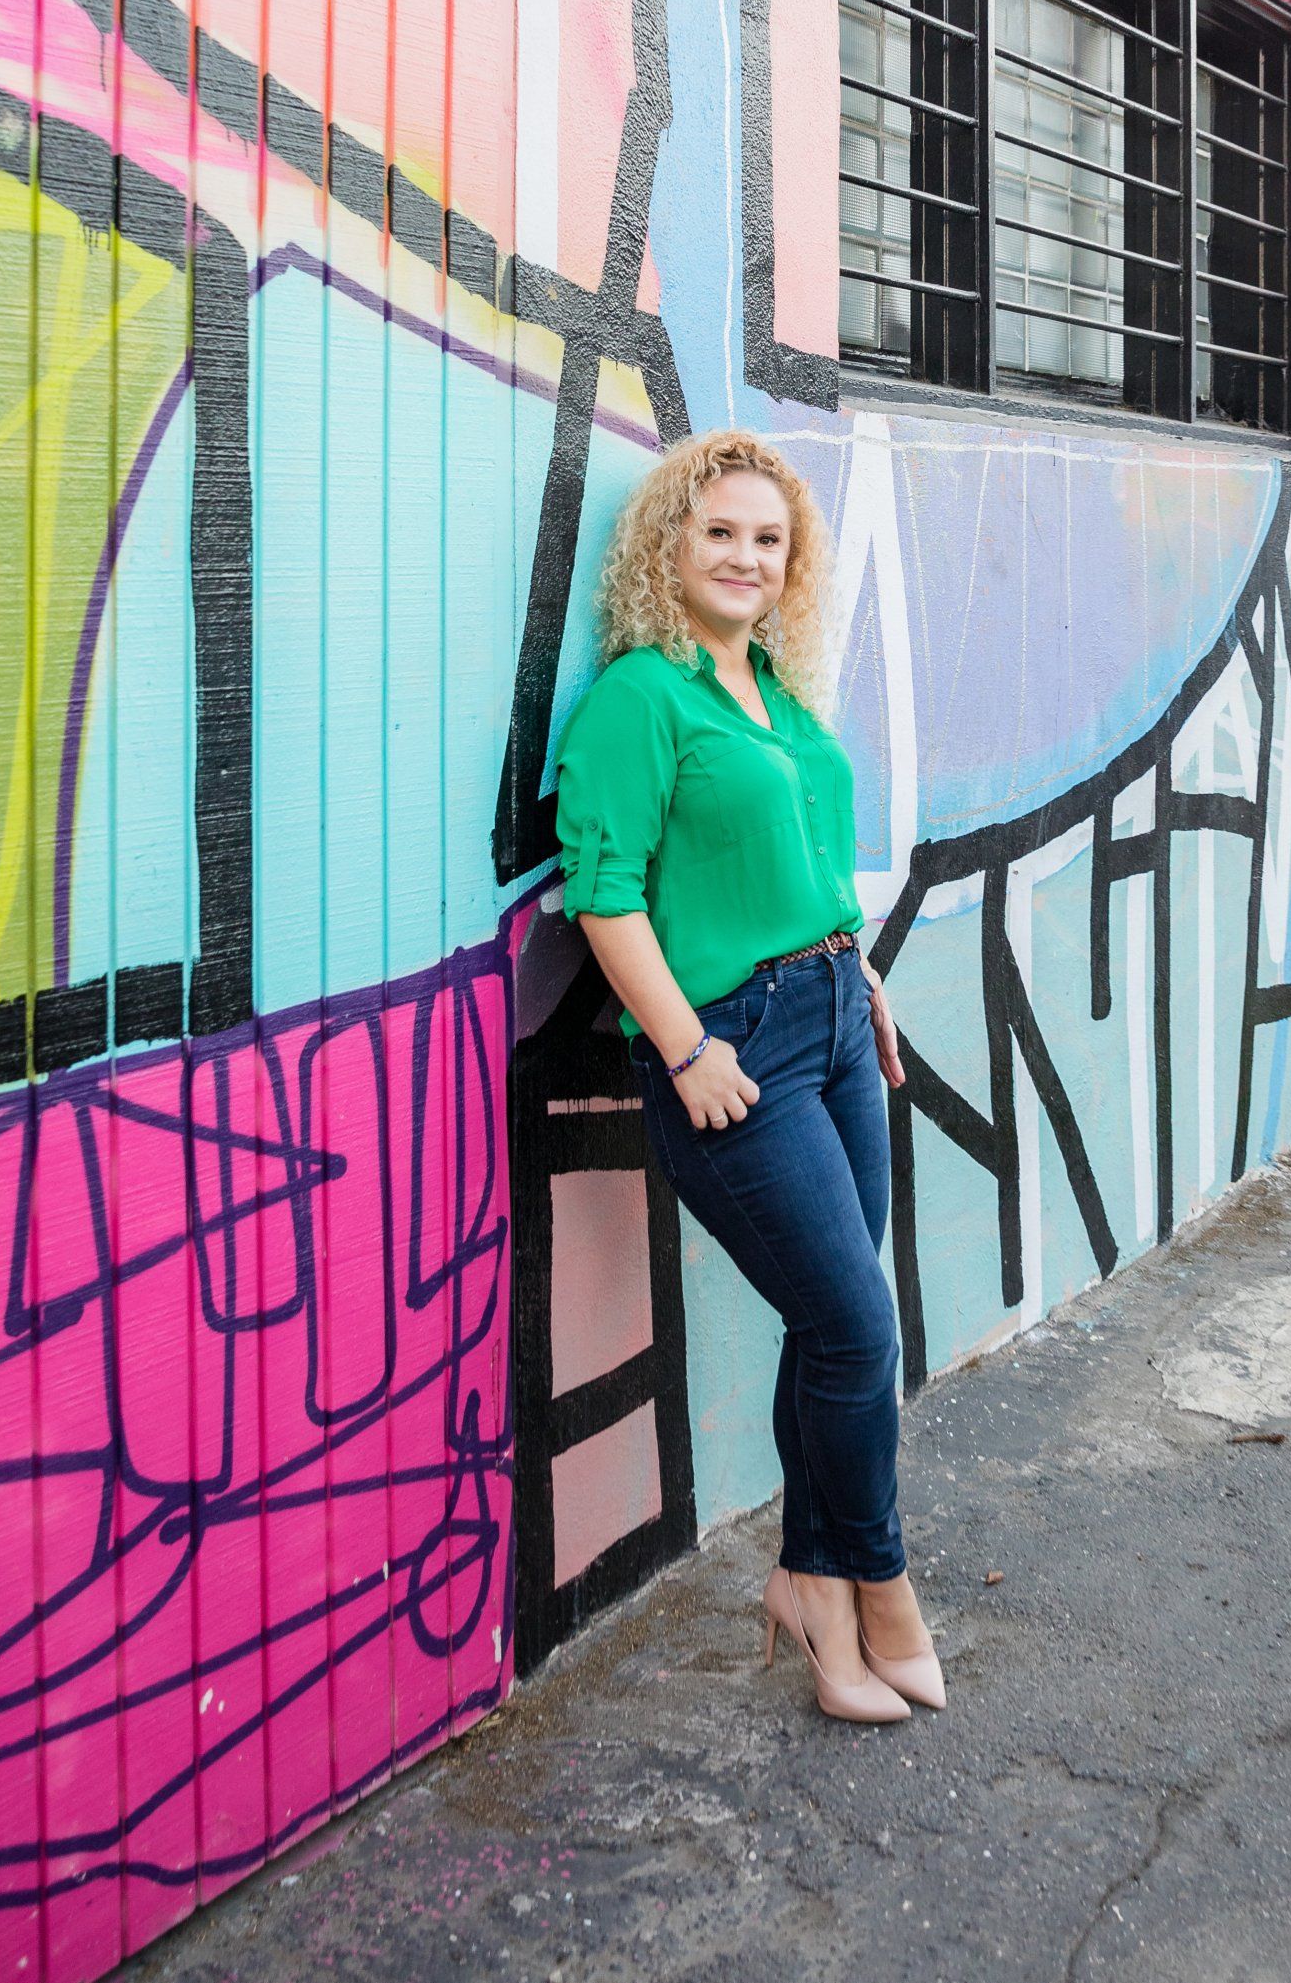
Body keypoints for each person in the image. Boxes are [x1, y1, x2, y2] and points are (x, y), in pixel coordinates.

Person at [555, 428, 944, 1726]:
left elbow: (809, 863)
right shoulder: (643, 694)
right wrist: (684, 1046)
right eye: (720, 529)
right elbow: (603, 894)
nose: (745, 555)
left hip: (836, 1016)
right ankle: (874, 1582)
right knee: (854, 1325)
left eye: (768, 537)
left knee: (835, 1321)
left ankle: (806, 1580)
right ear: (671, 539)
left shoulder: (772, 687)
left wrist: (865, 976)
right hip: (733, 1046)